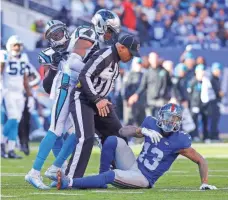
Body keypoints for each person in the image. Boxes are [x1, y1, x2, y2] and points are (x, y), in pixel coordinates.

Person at [56, 103, 217, 191]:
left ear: (179, 122)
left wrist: (204, 181)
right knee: (112, 140)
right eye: (168, 118)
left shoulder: (180, 140)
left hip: (144, 178)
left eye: (174, 119)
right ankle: (101, 178)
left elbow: (201, 160)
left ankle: (69, 182)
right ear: (160, 117)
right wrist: (142, 131)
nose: (170, 122)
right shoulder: (150, 123)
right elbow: (122, 131)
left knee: (113, 174)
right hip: (134, 165)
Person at [66, 34, 140, 180]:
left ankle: (118, 174)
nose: (131, 57)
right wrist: (97, 99)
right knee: (86, 139)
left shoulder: (116, 61)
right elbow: (84, 76)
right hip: (83, 99)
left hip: (100, 101)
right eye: (130, 53)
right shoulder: (106, 55)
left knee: (117, 135)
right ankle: (71, 178)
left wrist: (102, 99)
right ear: (121, 47)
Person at [0, 35, 35, 159]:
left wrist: (30, 95)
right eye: (15, 45)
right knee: (14, 118)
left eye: (19, 45)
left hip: (19, 93)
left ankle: (10, 149)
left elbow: (25, 79)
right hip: (8, 91)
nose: (17, 47)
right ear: (10, 46)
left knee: (16, 121)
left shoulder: (24, 57)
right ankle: (2, 142)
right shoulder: (4, 55)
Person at [128, 52, 171, 117]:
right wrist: (136, 94)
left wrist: (172, 97)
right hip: (150, 101)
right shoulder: (147, 73)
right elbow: (142, 86)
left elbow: (170, 85)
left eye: (156, 58)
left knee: (160, 121)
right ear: (149, 60)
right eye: (152, 58)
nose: (154, 60)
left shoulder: (164, 72)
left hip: (161, 100)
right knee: (150, 121)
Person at [209, 62, 224, 141]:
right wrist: (220, 93)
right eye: (218, 70)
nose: (219, 72)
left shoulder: (217, 79)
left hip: (216, 102)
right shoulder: (212, 79)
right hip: (212, 103)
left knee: (216, 119)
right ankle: (213, 136)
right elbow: (217, 92)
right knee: (213, 120)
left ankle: (215, 135)